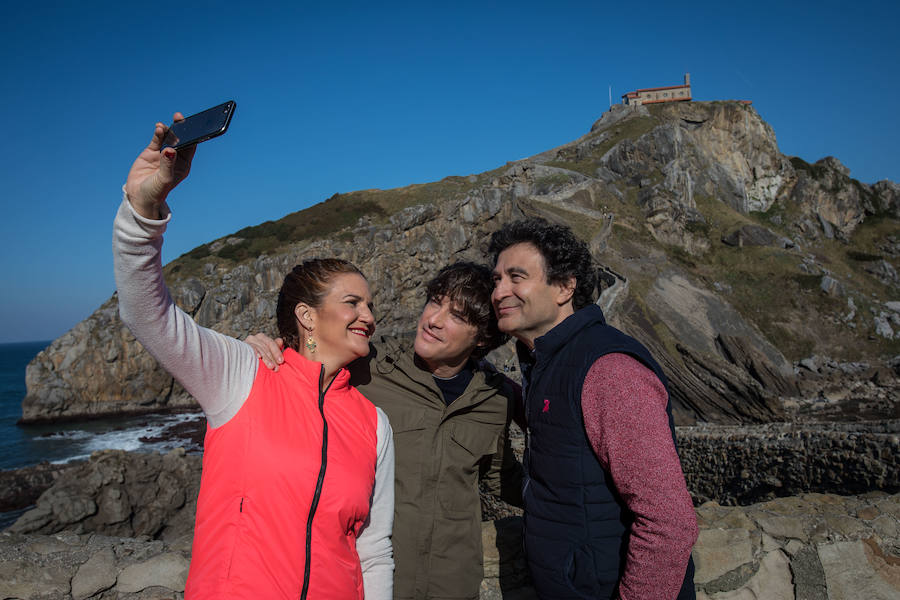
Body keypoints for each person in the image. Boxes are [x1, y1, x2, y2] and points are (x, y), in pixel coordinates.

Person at [114, 114, 394, 600]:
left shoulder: (375, 425)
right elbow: (147, 314)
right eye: (353, 302)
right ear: (307, 315)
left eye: (370, 304)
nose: (369, 315)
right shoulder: (244, 374)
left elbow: (373, 549)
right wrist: (143, 211)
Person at [248, 262, 523, 600]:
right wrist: (263, 349)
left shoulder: (494, 399)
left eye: (458, 316)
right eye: (435, 301)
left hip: (454, 585)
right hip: (378, 583)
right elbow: (308, 361)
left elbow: (499, 476)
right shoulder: (368, 367)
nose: (433, 319)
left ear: (482, 339)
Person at [488, 218, 697, 600]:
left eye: (516, 277)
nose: (499, 291)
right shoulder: (547, 361)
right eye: (496, 279)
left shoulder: (609, 369)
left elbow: (669, 521)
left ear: (565, 286)